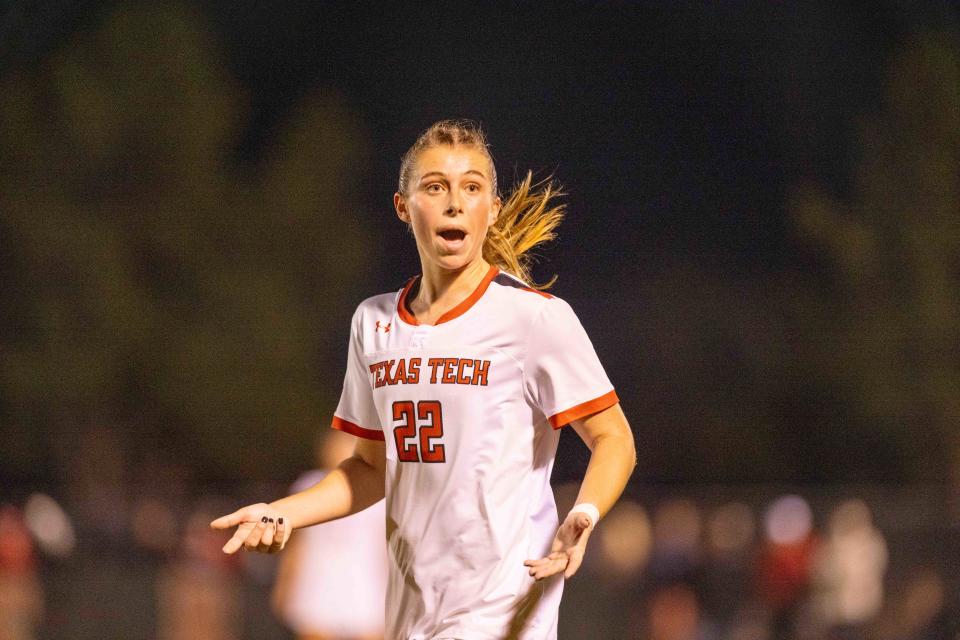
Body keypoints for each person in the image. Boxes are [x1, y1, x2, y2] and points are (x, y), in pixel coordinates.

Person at [211, 119, 637, 640]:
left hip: (501, 613)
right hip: (412, 617)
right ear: (403, 207)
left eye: (472, 187)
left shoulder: (534, 319)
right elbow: (368, 471)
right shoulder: (374, 323)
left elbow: (614, 437)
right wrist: (282, 513)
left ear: (492, 209)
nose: (455, 202)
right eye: (435, 186)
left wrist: (586, 513)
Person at [271, 430, 388, 640]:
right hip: (318, 582)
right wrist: (285, 581)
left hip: (364, 582)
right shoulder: (309, 485)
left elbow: (386, 547)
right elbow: (298, 544)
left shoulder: (379, 491)